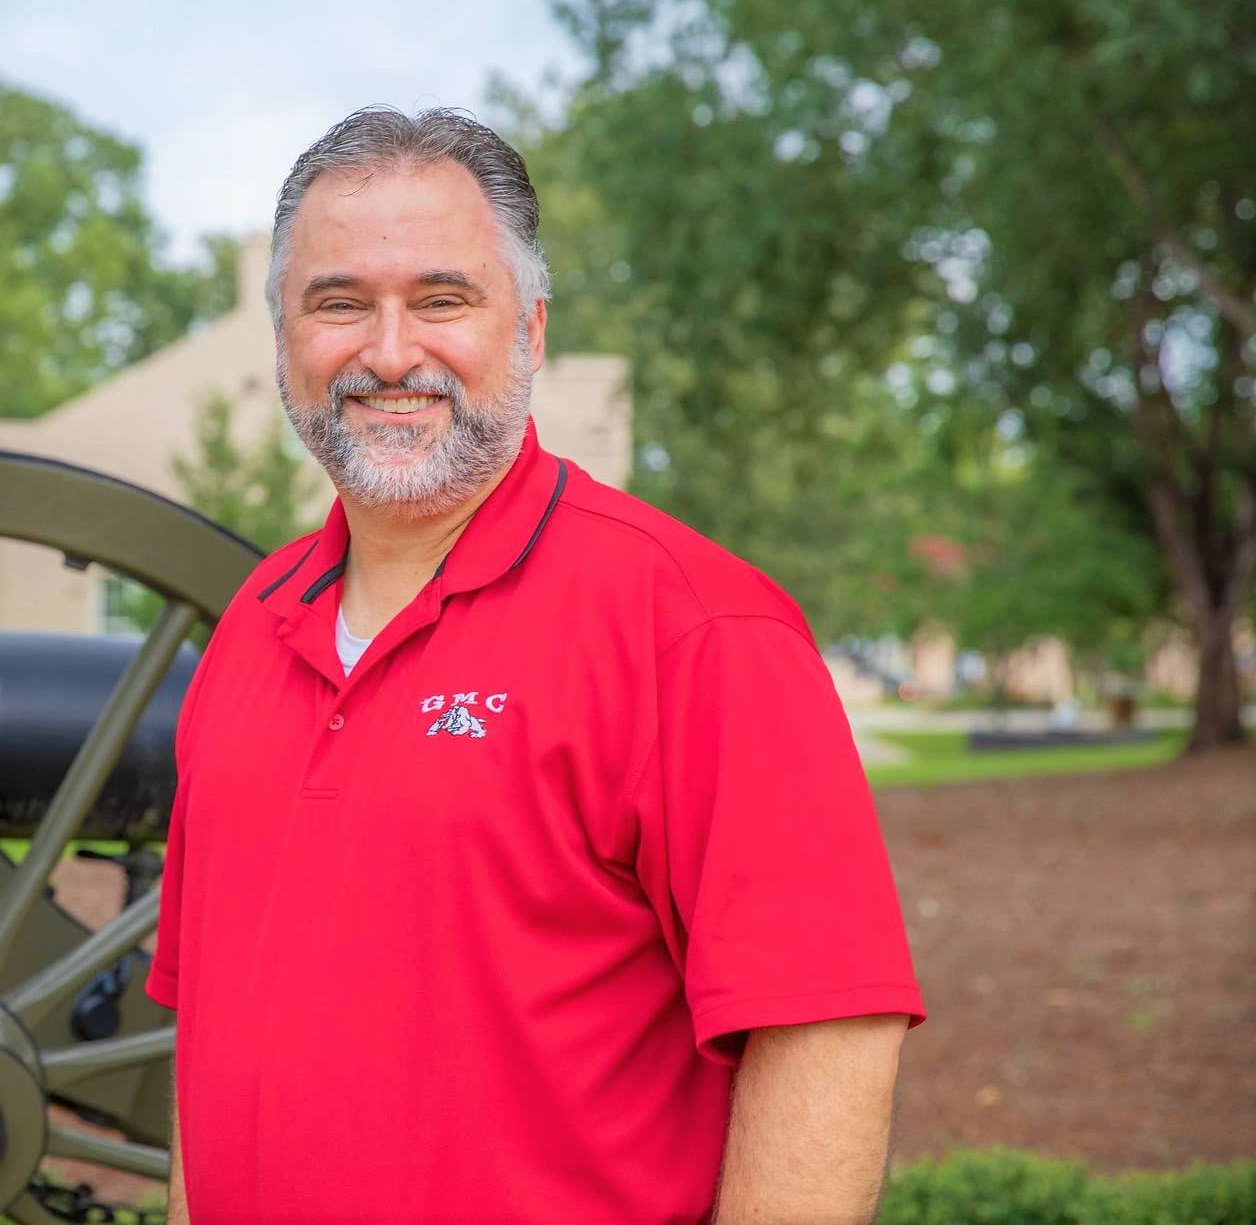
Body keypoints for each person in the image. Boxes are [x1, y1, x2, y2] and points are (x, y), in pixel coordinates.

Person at [146, 107, 924, 1223]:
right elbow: (207, 1036)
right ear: (282, 339)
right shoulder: (249, 627)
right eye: (336, 303)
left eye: (441, 299)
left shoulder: (696, 628)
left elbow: (825, 1035)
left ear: (531, 332)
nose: (387, 351)